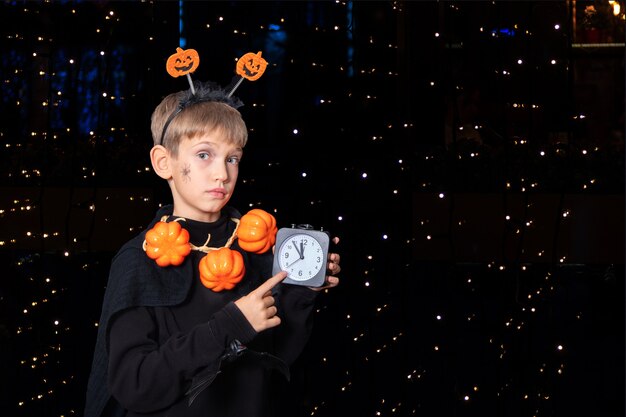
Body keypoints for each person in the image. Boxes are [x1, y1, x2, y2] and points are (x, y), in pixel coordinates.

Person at [84, 80, 341, 417]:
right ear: (164, 163)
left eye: (232, 158)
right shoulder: (138, 259)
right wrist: (230, 326)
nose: (222, 173)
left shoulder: (257, 247)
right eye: (204, 154)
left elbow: (275, 362)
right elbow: (135, 386)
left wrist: (302, 290)